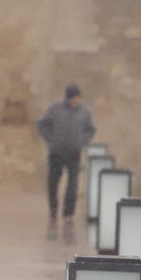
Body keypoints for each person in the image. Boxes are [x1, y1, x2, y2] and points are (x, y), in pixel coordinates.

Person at [37, 83, 97, 241]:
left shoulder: (84, 112)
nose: (77, 101)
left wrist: (82, 142)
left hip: (73, 154)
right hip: (56, 153)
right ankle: (53, 216)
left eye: (78, 97)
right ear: (68, 98)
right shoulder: (55, 109)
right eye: (74, 98)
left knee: (72, 186)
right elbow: (42, 123)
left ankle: (68, 216)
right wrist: (50, 140)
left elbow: (91, 129)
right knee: (53, 185)